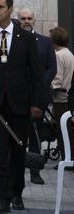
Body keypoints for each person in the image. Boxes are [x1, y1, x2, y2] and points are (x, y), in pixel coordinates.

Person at [0, 0, 44, 213]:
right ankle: (3, 197)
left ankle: (17, 193)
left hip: (20, 103)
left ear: (10, 9)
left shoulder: (26, 38)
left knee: (17, 151)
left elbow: (36, 73)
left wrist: (38, 104)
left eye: (0, 7)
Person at [18, 8, 57, 185]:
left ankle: (35, 172)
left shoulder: (45, 42)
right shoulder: (12, 41)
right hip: (17, 96)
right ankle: (16, 171)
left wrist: (39, 84)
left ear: (34, 20)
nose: (26, 21)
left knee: (35, 135)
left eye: (29, 18)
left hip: (38, 96)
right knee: (17, 136)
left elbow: (51, 67)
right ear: (18, 20)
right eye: (23, 18)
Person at [51, 27, 72, 161]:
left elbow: (57, 80)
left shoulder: (59, 55)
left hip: (60, 98)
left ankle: (66, 158)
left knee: (62, 129)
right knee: (68, 129)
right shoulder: (69, 54)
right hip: (67, 97)